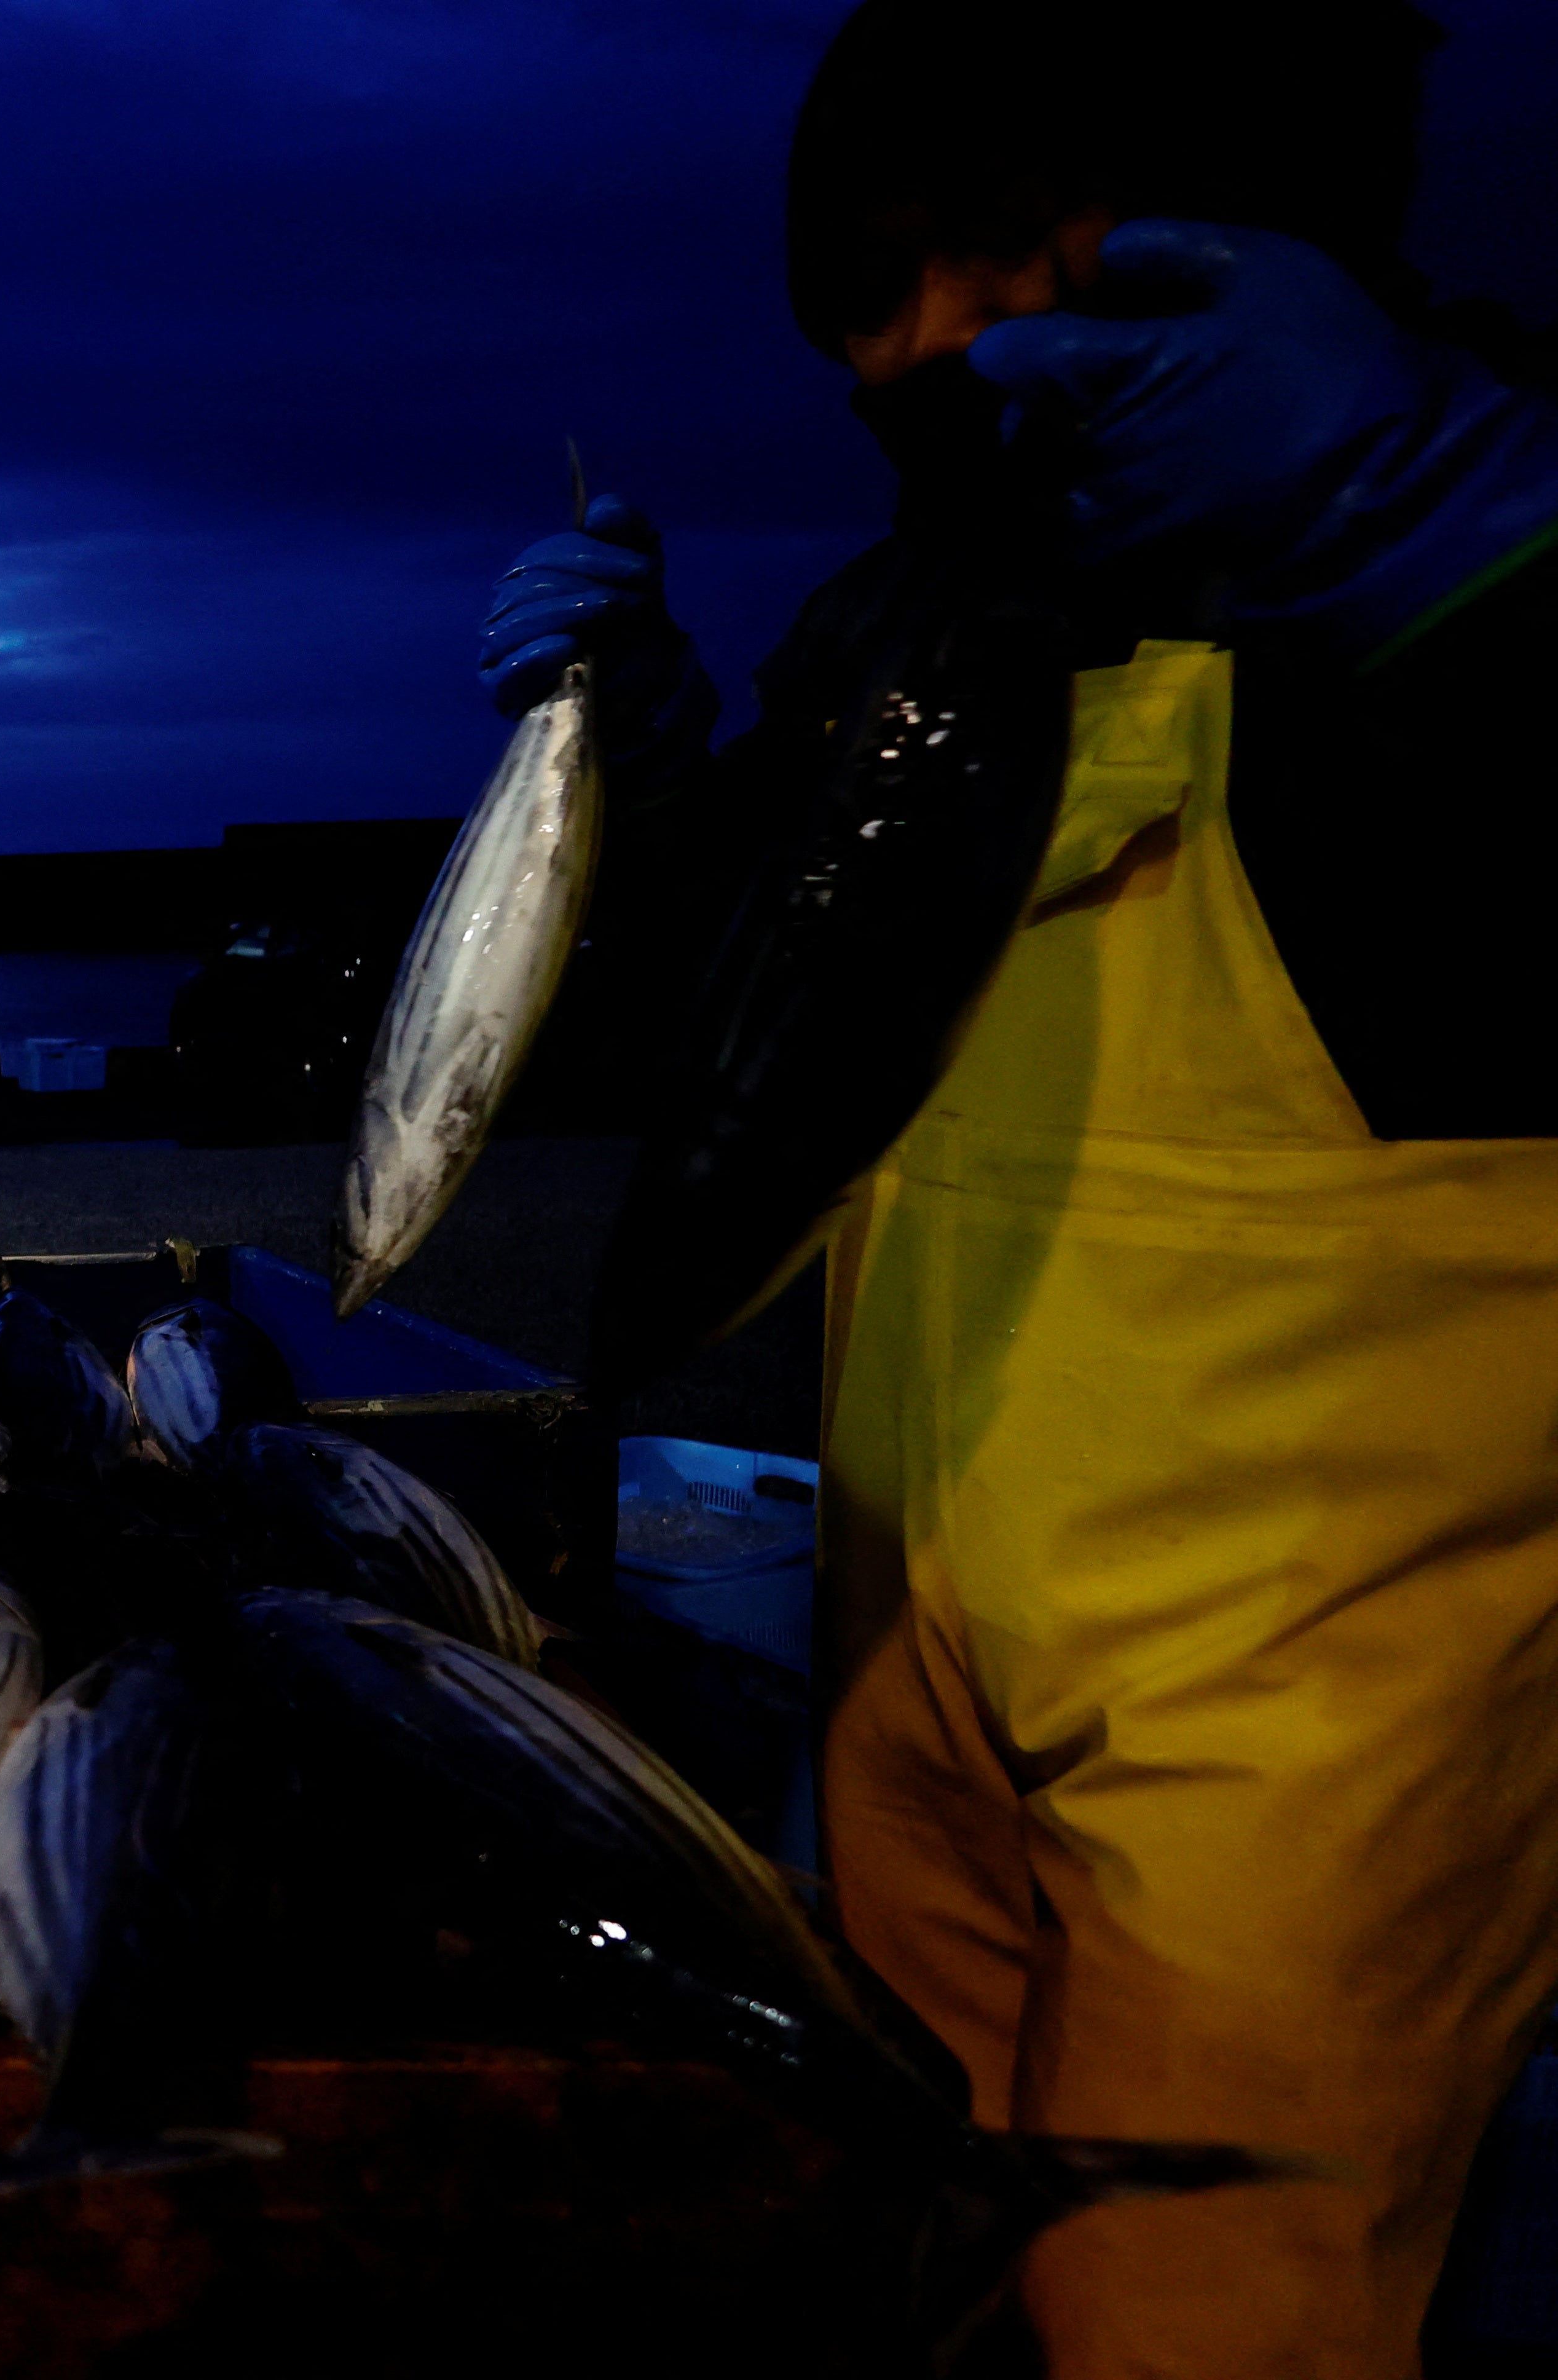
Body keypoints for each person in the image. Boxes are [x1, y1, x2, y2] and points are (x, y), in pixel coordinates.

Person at [472, 3, 1558, 2371]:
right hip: (906, 1684)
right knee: (925, 2274)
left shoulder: (1456, 508)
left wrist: (1469, 551)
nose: (921, 343)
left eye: (979, 246)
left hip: (1311, 1769)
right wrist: (639, 797)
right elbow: (751, 1046)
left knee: (1208, 2314)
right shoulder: (911, 621)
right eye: (861, 294)